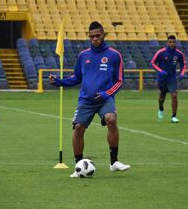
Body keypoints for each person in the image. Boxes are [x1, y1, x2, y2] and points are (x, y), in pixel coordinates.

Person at [49, 21, 130, 177]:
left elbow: (119, 80)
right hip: (85, 100)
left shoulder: (114, 55)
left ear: (104, 35)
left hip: (105, 99)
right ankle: (78, 165)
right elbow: (76, 78)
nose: (94, 39)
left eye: (97, 36)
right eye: (91, 36)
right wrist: (59, 82)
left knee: (111, 119)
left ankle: (114, 162)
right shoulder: (83, 55)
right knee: (78, 128)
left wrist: (108, 93)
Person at [151, 35, 187, 123]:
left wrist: (182, 73)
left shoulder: (178, 53)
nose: (172, 44)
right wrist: (160, 71)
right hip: (162, 79)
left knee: (174, 95)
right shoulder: (161, 52)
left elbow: (184, 63)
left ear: (176, 42)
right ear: (167, 42)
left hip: (172, 78)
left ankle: (174, 116)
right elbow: (153, 62)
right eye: (170, 42)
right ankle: (161, 108)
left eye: (174, 42)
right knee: (161, 97)